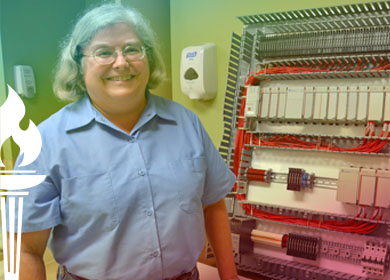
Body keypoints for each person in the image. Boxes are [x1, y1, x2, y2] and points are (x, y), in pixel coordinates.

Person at [13, 3, 239, 280]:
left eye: (132, 49)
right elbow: (26, 251)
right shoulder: (44, 144)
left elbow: (212, 204)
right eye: (104, 52)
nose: (121, 63)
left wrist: (229, 277)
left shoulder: (186, 124)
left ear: (149, 58)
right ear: (78, 64)